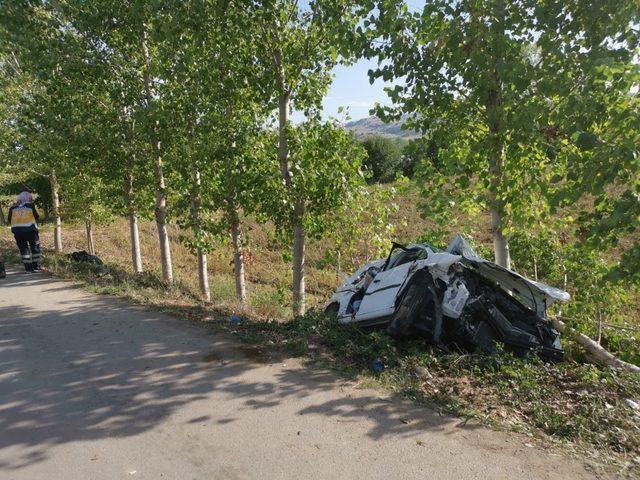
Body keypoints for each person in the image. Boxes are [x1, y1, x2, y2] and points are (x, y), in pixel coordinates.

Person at [7, 192, 41, 273]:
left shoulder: (12, 208)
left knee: (24, 250)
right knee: (35, 248)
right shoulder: (30, 206)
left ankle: (28, 269)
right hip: (31, 231)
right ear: (29, 198)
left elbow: (9, 220)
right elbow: (36, 216)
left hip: (18, 232)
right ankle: (36, 267)